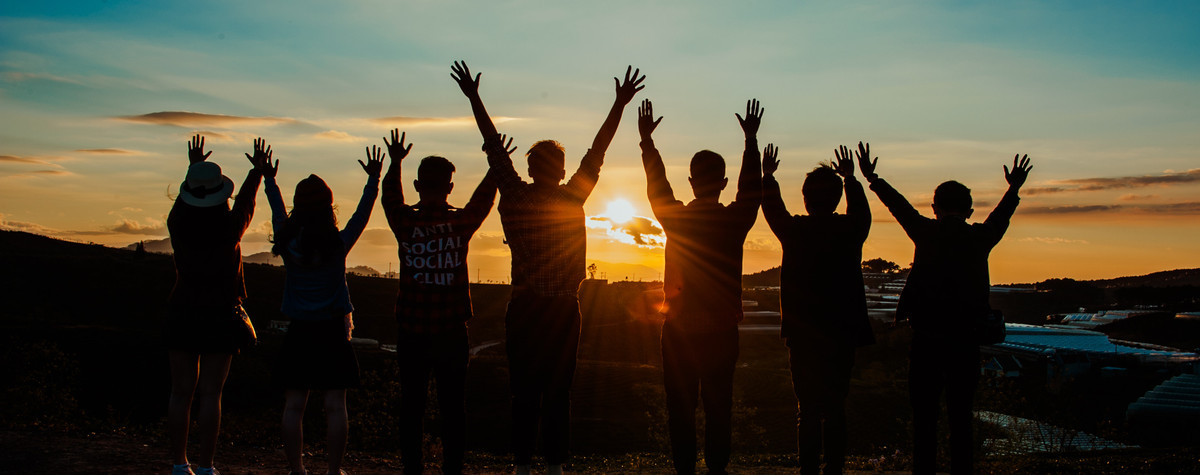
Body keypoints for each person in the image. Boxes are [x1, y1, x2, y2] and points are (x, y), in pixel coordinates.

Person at [452, 60, 646, 475]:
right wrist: (619, 105)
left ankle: (523, 467)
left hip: (523, 309)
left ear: (528, 169)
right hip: (561, 310)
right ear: (559, 171)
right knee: (559, 392)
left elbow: (492, 144)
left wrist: (475, 97)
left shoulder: (515, 196)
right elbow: (599, 151)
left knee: (523, 392)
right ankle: (555, 468)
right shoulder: (571, 199)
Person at [860, 146, 1032, 475]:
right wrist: (1013, 188)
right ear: (969, 210)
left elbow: (898, 206)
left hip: (925, 340)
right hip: (966, 340)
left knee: (924, 416)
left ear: (934, 207)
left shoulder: (925, 232)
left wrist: (872, 178)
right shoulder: (980, 237)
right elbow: (1001, 216)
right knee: (961, 416)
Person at [637, 98, 763, 475]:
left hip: (677, 330)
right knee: (718, 405)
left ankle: (684, 471)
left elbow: (656, 187)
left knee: (681, 408)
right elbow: (751, 192)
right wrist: (751, 143)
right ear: (723, 183)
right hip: (722, 331)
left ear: (690, 182)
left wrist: (647, 143)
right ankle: (717, 469)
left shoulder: (675, 219)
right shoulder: (735, 220)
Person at [380, 128, 497, 475]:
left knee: (411, 405)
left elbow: (390, 198)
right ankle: (452, 470)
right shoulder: (459, 222)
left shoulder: (405, 221)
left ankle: (412, 469)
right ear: (449, 187)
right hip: (451, 331)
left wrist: (395, 163)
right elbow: (483, 201)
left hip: (411, 330)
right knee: (452, 407)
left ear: (418, 185)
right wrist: (494, 166)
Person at [262, 145, 384, 475]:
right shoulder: (338, 244)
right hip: (332, 330)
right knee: (335, 406)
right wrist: (373, 179)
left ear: (297, 207)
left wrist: (269, 179)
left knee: (294, 405)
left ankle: (296, 470)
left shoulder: (288, 242)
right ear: (329, 207)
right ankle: (333, 471)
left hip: (299, 329)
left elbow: (276, 211)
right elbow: (362, 215)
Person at [761, 144, 875, 475]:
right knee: (835, 406)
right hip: (842, 333)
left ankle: (808, 469)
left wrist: (768, 176)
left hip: (803, 334)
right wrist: (852, 179)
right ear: (837, 198)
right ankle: (834, 469)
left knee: (807, 409)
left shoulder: (795, 231)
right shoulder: (851, 230)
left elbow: (773, 208)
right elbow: (862, 212)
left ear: (806, 199)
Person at [165, 135, 267, 475]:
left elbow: (189, 200)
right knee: (211, 395)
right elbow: (247, 204)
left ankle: (180, 464)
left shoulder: (177, 223)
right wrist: (258, 172)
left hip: (183, 309)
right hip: (221, 313)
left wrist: (195, 168)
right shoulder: (229, 227)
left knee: (181, 393)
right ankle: (207, 466)